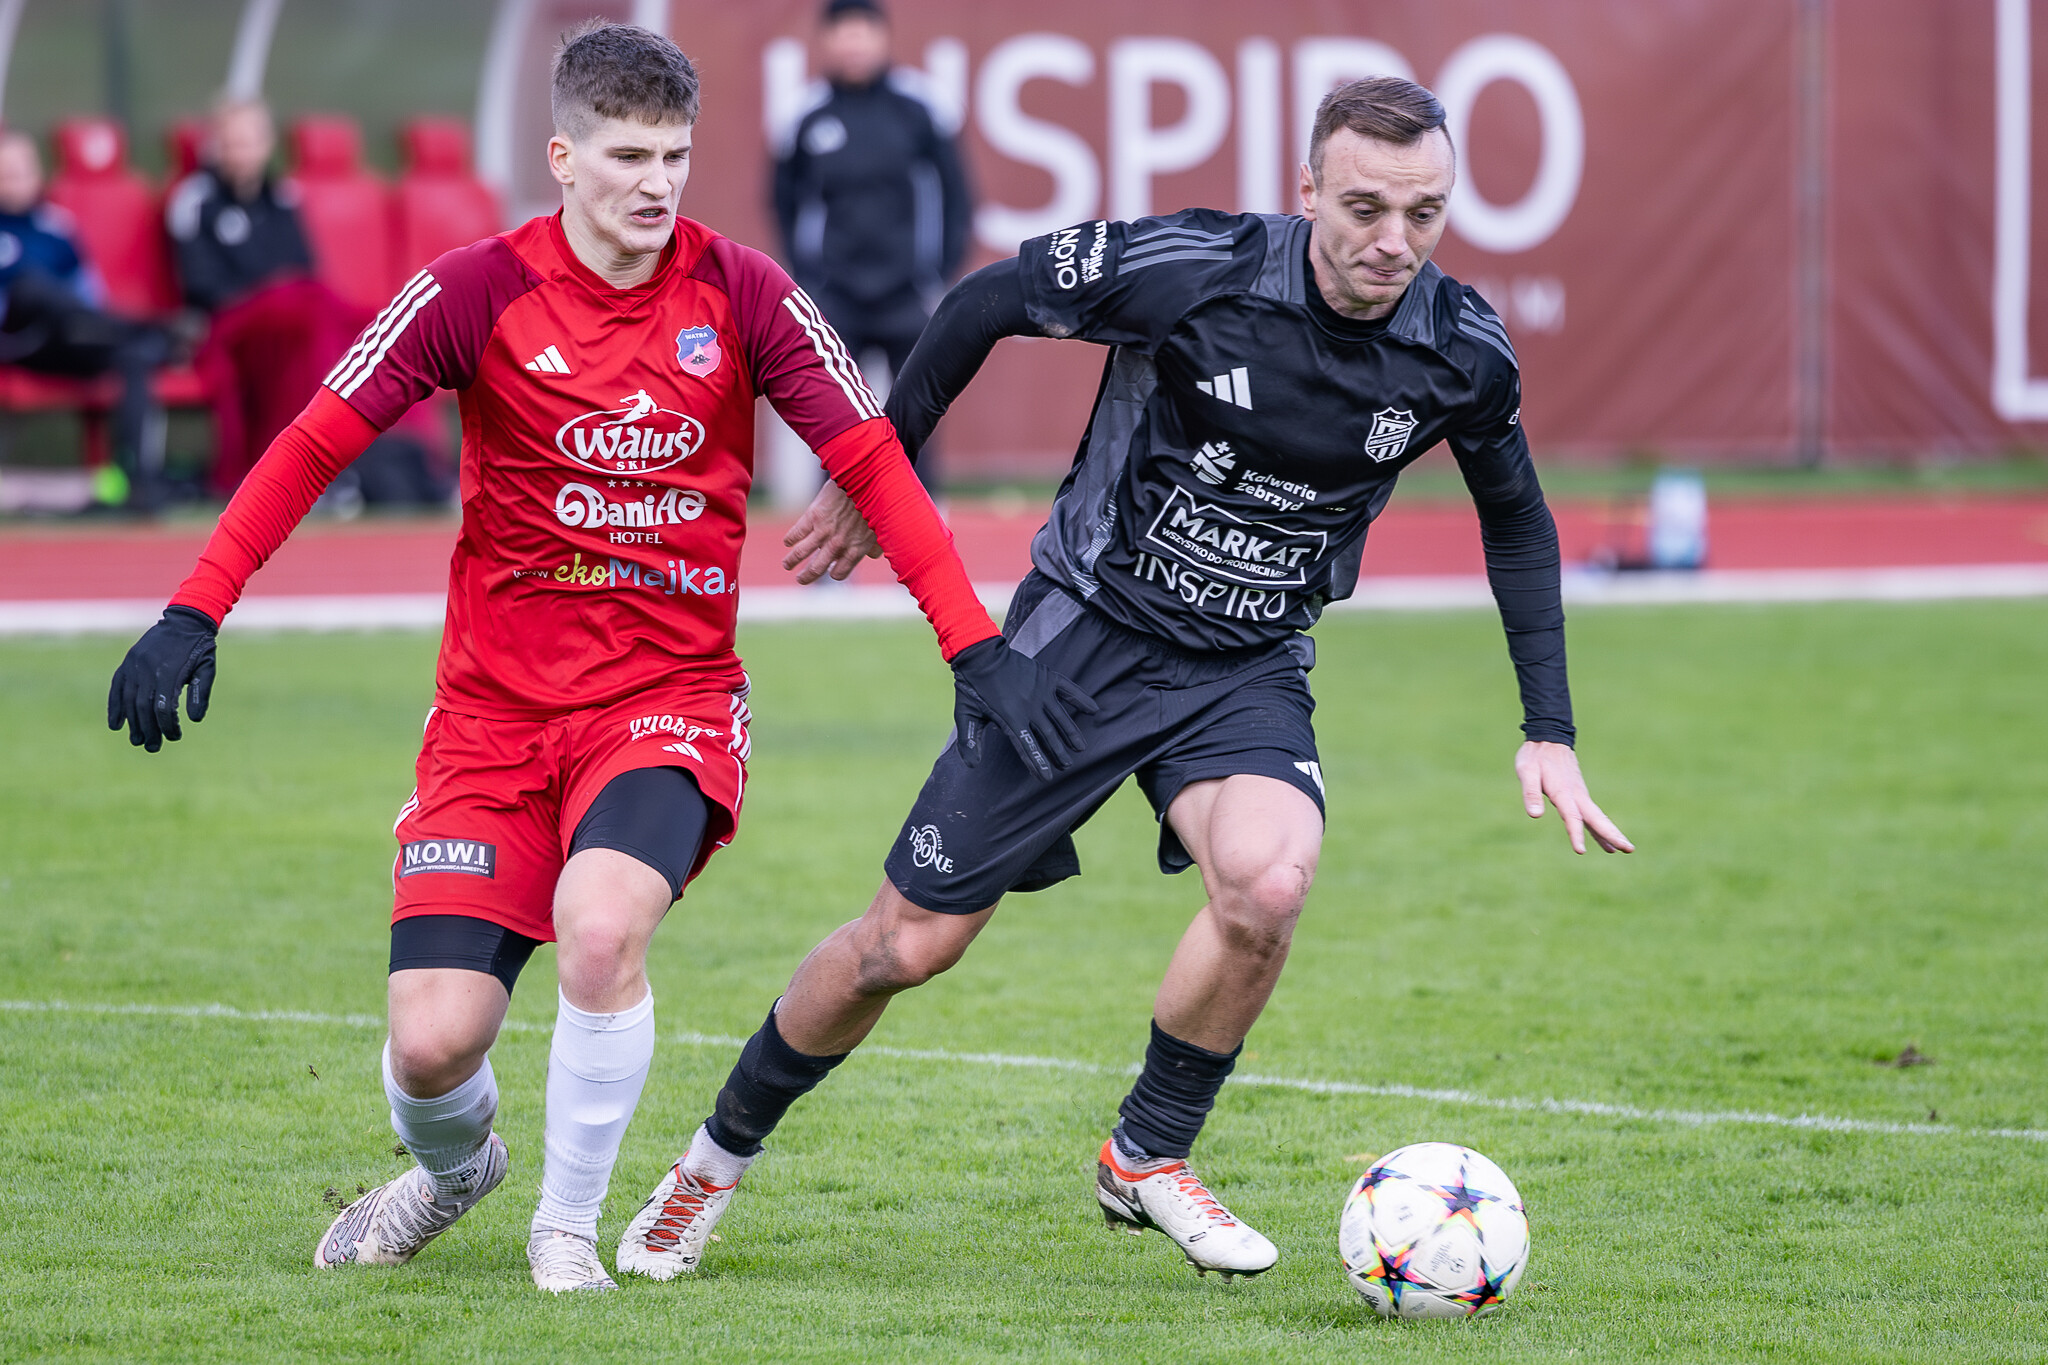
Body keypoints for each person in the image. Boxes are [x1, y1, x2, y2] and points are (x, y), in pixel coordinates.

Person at [106, 21, 1088, 1295]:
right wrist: (196, 609)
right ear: (563, 157)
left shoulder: (745, 294)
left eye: (675, 155)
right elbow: (311, 442)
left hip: (666, 706)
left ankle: (564, 1233)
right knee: (432, 1046)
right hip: (490, 723)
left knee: (600, 925)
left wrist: (973, 645)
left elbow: (873, 468)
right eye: (627, 155)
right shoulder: (472, 292)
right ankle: (456, 1170)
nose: (656, 182)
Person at [618, 75, 1633, 1283]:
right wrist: (868, 472)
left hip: (1248, 663)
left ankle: (1146, 1156)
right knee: (904, 947)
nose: (1392, 241)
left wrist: (1547, 726)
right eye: (1364, 208)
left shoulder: (1457, 347)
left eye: (1423, 214)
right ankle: (710, 1164)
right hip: (1082, 642)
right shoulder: (1196, 270)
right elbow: (986, 300)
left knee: (1269, 882)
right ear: (1306, 191)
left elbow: (1515, 519)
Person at [772, 0, 970, 491]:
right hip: (838, 297)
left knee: (916, 417)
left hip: (908, 294)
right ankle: (832, 535)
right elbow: (784, 201)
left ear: (883, 38)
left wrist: (937, 274)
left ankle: (928, 522)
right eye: (843, 33)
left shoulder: (919, 108)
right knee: (837, 421)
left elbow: (957, 196)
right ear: (826, 41)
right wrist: (810, 279)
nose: (854, 44)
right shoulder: (806, 114)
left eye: (863, 32)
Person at [166, 98, 363, 496]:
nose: (241, 152)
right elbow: (201, 287)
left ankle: (378, 463)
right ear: (216, 146)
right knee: (303, 315)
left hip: (289, 319)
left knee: (380, 325)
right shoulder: (194, 200)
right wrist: (268, 296)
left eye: (248, 141)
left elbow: (304, 271)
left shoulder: (284, 197)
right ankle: (303, 468)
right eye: (231, 142)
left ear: (266, 144)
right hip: (227, 329)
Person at [0, 129, 170, 509]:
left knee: (132, 357)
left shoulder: (56, 227)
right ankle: (144, 331)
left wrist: (92, 326)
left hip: (61, 336)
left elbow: (88, 296)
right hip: (14, 340)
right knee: (30, 286)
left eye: (21, 172)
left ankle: (138, 486)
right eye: (5, 174)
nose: (14, 182)